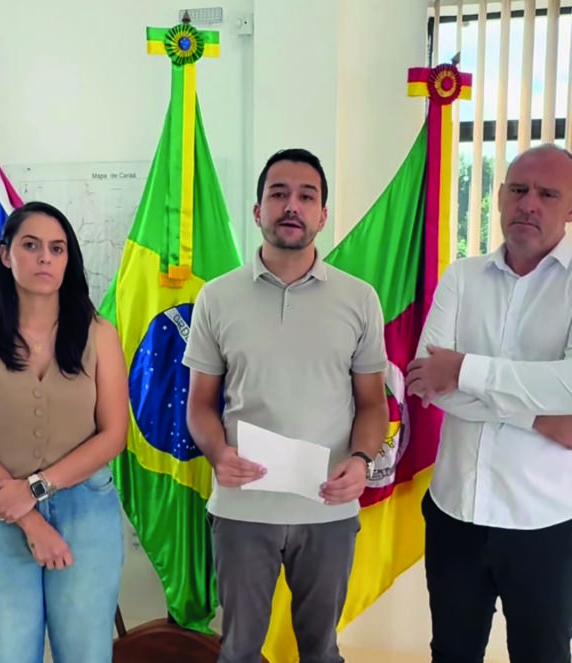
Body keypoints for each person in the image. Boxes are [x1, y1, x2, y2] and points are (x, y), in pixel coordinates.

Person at [183, 148, 389, 663]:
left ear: (323, 214)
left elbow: (372, 404)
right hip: (242, 509)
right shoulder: (217, 297)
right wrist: (217, 454)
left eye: (306, 196)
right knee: (239, 652)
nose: (291, 205)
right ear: (258, 211)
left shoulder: (359, 299)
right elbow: (200, 404)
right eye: (278, 194)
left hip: (328, 509)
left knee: (320, 652)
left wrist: (361, 461)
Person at [406, 144, 572, 663]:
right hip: (454, 514)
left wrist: (463, 370)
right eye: (518, 190)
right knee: (451, 654)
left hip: (545, 524)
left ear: (571, 208)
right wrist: (539, 415)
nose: (529, 204)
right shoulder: (462, 276)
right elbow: (426, 380)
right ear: (499, 198)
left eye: (548, 195)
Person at [0, 201, 129, 663]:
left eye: (57, 248)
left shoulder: (100, 334)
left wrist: (37, 489)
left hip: (87, 509)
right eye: (31, 245)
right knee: (6, 653)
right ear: (5, 254)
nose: (45, 257)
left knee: (85, 653)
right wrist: (29, 517)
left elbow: (113, 435)